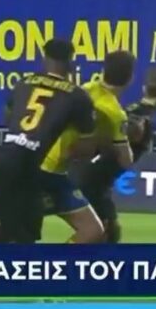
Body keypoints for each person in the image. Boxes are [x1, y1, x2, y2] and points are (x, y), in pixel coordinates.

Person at [0, 39, 97, 243]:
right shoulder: (77, 96)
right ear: (71, 63)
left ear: (44, 59)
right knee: (16, 230)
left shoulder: (23, 84)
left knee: (5, 233)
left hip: (1, 158)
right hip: (26, 165)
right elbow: (87, 149)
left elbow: (10, 119)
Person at [40, 50, 137, 243]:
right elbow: (126, 160)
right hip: (49, 170)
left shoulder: (84, 89)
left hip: (43, 160)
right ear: (130, 79)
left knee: (93, 230)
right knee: (10, 225)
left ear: (103, 71)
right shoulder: (115, 113)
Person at [76, 66, 156, 243]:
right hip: (93, 182)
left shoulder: (130, 112)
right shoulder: (140, 120)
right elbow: (127, 133)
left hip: (95, 182)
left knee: (106, 234)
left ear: (144, 89)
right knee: (103, 234)